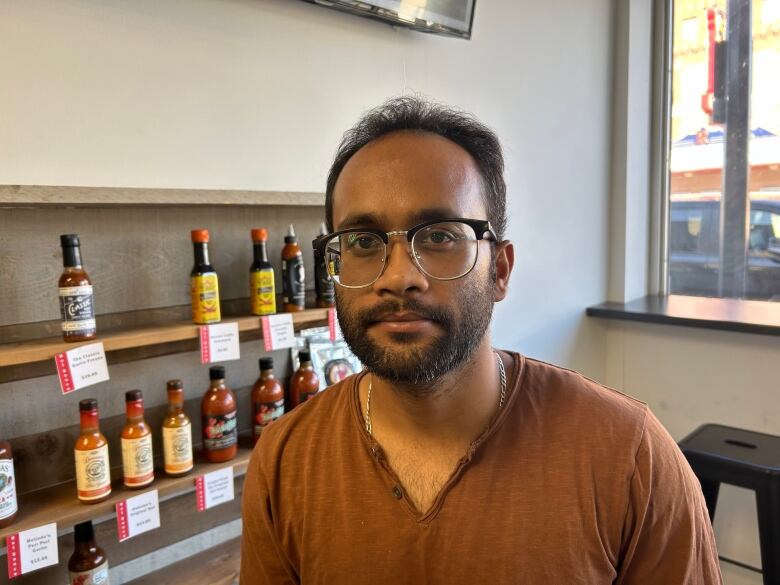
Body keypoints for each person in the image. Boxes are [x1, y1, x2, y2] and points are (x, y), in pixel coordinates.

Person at [240, 96, 722, 584]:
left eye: (441, 236)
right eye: (364, 242)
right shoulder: (285, 460)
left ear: (501, 270)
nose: (399, 277)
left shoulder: (629, 455)